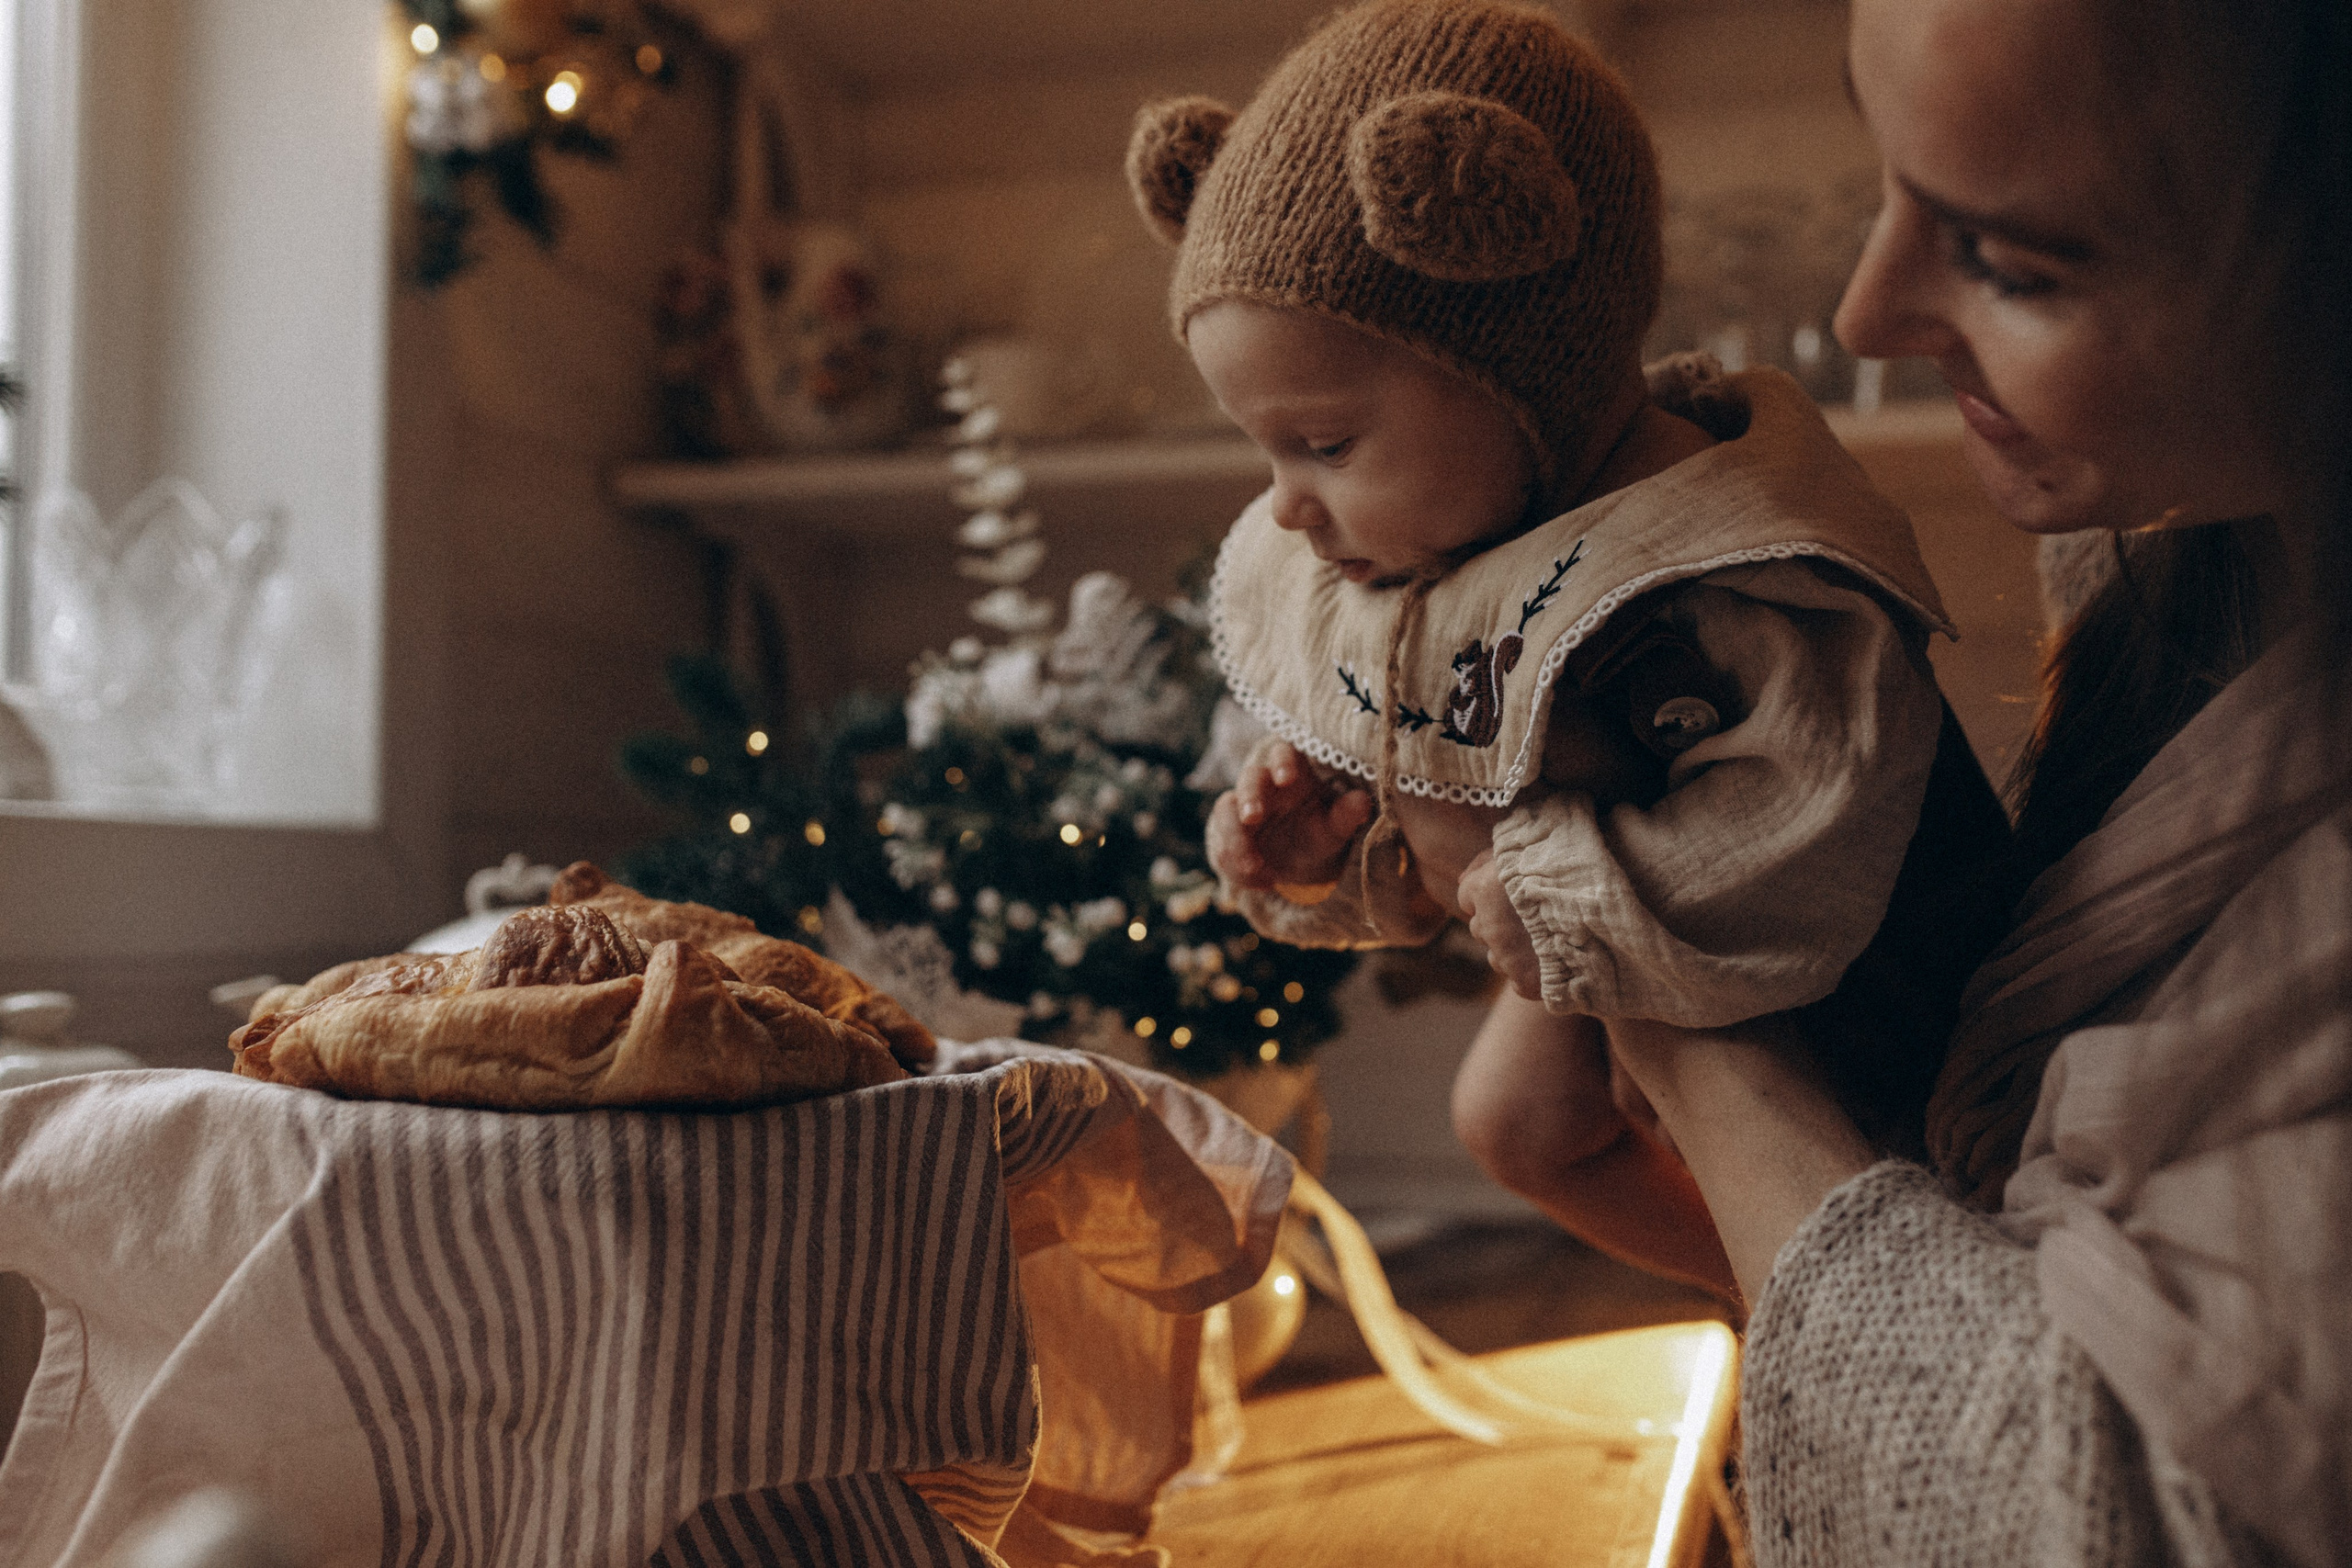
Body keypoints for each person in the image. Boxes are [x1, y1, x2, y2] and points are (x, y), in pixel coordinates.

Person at [1585, 0, 2352, 1560]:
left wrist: (1674, 1018)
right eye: (1891, 178)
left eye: (2012, 260)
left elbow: (2111, 1521)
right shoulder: (2196, 534)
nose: (1867, 313)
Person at [1126, 0, 2012, 1296]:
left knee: (1789, 1146)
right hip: (1606, 937)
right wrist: (1348, 843)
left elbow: (1798, 824)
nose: (1288, 506)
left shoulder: (1725, 567)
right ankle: (1780, 1310)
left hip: (1867, 996)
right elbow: (1456, 778)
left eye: (1324, 444)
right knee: (1517, 1129)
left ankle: (1848, 1301)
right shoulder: (1473, 536)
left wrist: (1518, 881)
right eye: (1263, 450)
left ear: (1520, 376)